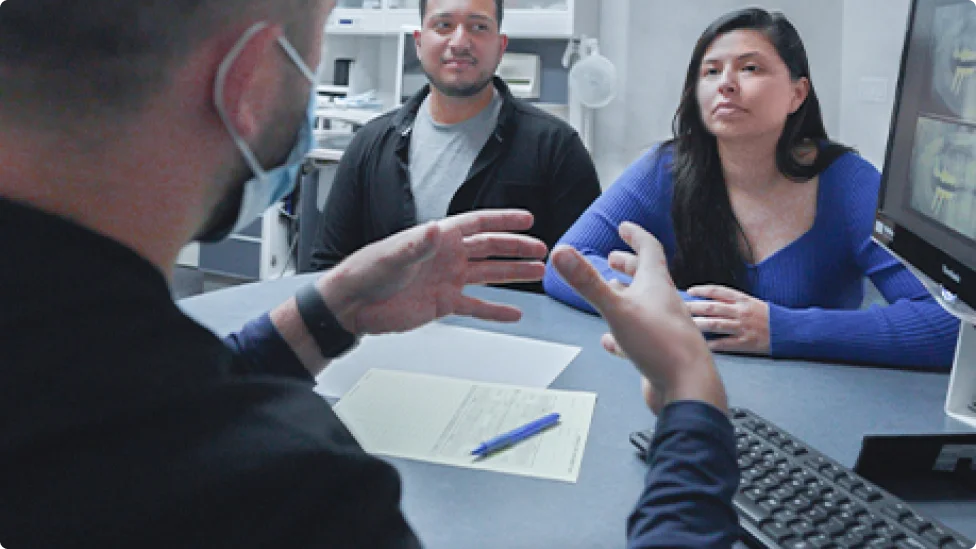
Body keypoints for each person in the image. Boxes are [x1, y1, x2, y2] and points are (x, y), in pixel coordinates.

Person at [0, 0, 739, 546]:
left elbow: (121, 411)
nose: (460, 41)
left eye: (478, 26)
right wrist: (691, 404)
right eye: (311, 59)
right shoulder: (291, 494)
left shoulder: (70, 382)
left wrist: (326, 311)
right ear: (250, 84)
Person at [543, 7, 960, 370]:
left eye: (750, 68)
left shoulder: (848, 183)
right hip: (684, 386)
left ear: (798, 93)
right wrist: (670, 309)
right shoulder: (665, 168)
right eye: (711, 71)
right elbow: (565, 264)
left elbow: (951, 324)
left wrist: (782, 329)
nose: (726, 83)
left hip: (813, 408)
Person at [308, 0, 602, 293]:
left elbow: (585, 284)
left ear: (500, 46)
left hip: (509, 336)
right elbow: (326, 269)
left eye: (478, 27)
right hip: (390, 337)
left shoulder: (557, 150)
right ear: (420, 43)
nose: (460, 42)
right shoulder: (370, 146)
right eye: (443, 25)